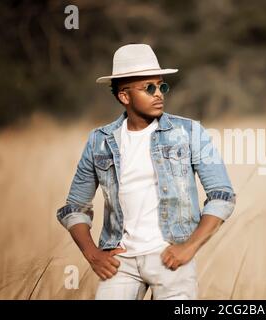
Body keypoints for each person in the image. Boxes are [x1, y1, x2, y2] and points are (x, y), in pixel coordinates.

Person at [56, 44, 236, 300]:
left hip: (171, 259)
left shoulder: (189, 132)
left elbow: (222, 195)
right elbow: (75, 207)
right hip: (120, 264)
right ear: (124, 96)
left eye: (161, 86)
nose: (158, 94)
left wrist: (189, 247)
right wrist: (93, 255)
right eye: (148, 88)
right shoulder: (100, 141)